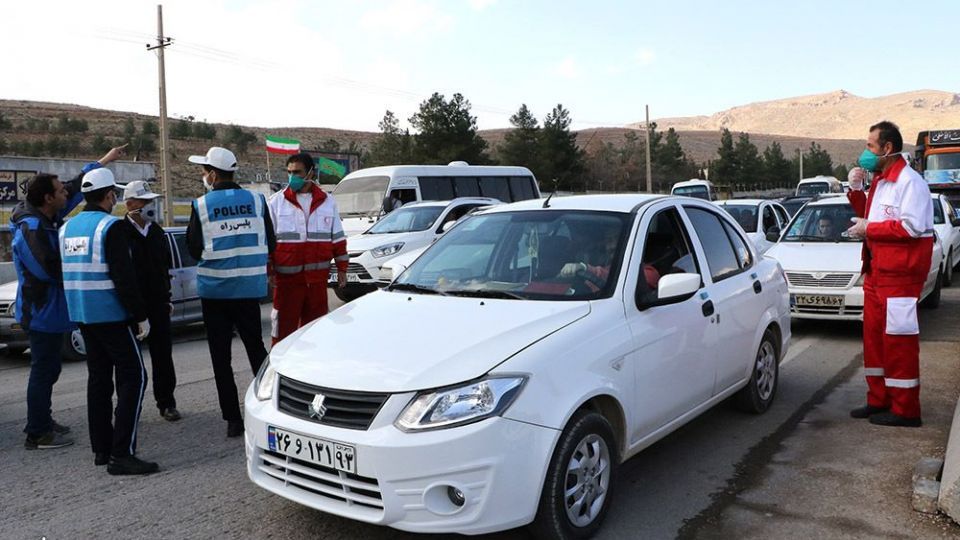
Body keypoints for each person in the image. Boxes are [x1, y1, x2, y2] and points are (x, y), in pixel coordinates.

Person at [11, 144, 126, 451]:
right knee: (44, 369)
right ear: (48, 199)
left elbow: (77, 187)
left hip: (51, 311)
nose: (66, 194)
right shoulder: (31, 228)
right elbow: (47, 270)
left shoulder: (47, 216)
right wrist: (82, 270)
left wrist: (104, 160)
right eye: (59, 191)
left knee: (50, 369)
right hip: (41, 312)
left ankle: (42, 420)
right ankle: (38, 432)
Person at [61, 167, 159, 474]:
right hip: (110, 314)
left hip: (82, 314)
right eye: (114, 194)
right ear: (108, 196)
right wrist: (140, 316)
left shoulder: (67, 228)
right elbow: (123, 277)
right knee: (135, 377)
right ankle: (121, 454)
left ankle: (102, 450)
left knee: (99, 381)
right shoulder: (110, 227)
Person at [845, 121, 934, 428]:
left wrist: (870, 228)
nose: (865, 152)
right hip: (877, 273)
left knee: (898, 343)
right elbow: (869, 217)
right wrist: (856, 191)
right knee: (875, 342)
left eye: (870, 146)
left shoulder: (911, 183)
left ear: (887, 148)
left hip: (899, 277)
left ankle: (906, 409)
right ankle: (879, 400)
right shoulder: (882, 181)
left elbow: (909, 227)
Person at [186, 147, 275, 438]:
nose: (203, 176)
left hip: (215, 293)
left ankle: (233, 420)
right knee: (257, 352)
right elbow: (270, 244)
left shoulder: (201, 205)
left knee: (220, 358)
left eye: (204, 171)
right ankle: (270, 407)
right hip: (249, 290)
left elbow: (193, 248)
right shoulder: (257, 201)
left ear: (212, 173)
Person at [267, 153, 348, 344]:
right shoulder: (276, 203)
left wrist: (342, 268)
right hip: (287, 284)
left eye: (297, 172)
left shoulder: (328, 202)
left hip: (317, 284)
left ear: (311, 173)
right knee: (282, 335)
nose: (292, 177)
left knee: (316, 334)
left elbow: (337, 238)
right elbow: (267, 242)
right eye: (289, 172)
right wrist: (269, 270)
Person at [119, 180, 180, 422]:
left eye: (150, 202)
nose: (148, 206)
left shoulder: (156, 232)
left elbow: (164, 267)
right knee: (128, 363)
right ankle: (127, 409)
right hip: (131, 307)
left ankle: (166, 402)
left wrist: (167, 298)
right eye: (143, 202)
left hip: (157, 305)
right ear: (130, 204)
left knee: (163, 356)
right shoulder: (120, 233)